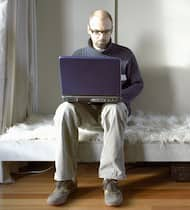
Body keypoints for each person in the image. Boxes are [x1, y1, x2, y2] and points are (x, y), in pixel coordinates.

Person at [47, 9, 143, 207]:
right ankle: (65, 181)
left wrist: (119, 97)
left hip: (113, 112)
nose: (102, 36)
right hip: (88, 112)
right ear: (88, 30)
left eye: (107, 31)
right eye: (97, 31)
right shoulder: (79, 55)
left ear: (112, 30)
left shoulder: (125, 55)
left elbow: (138, 84)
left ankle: (110, 181)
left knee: (114, 108)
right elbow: (71, 88)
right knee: (64, 109)